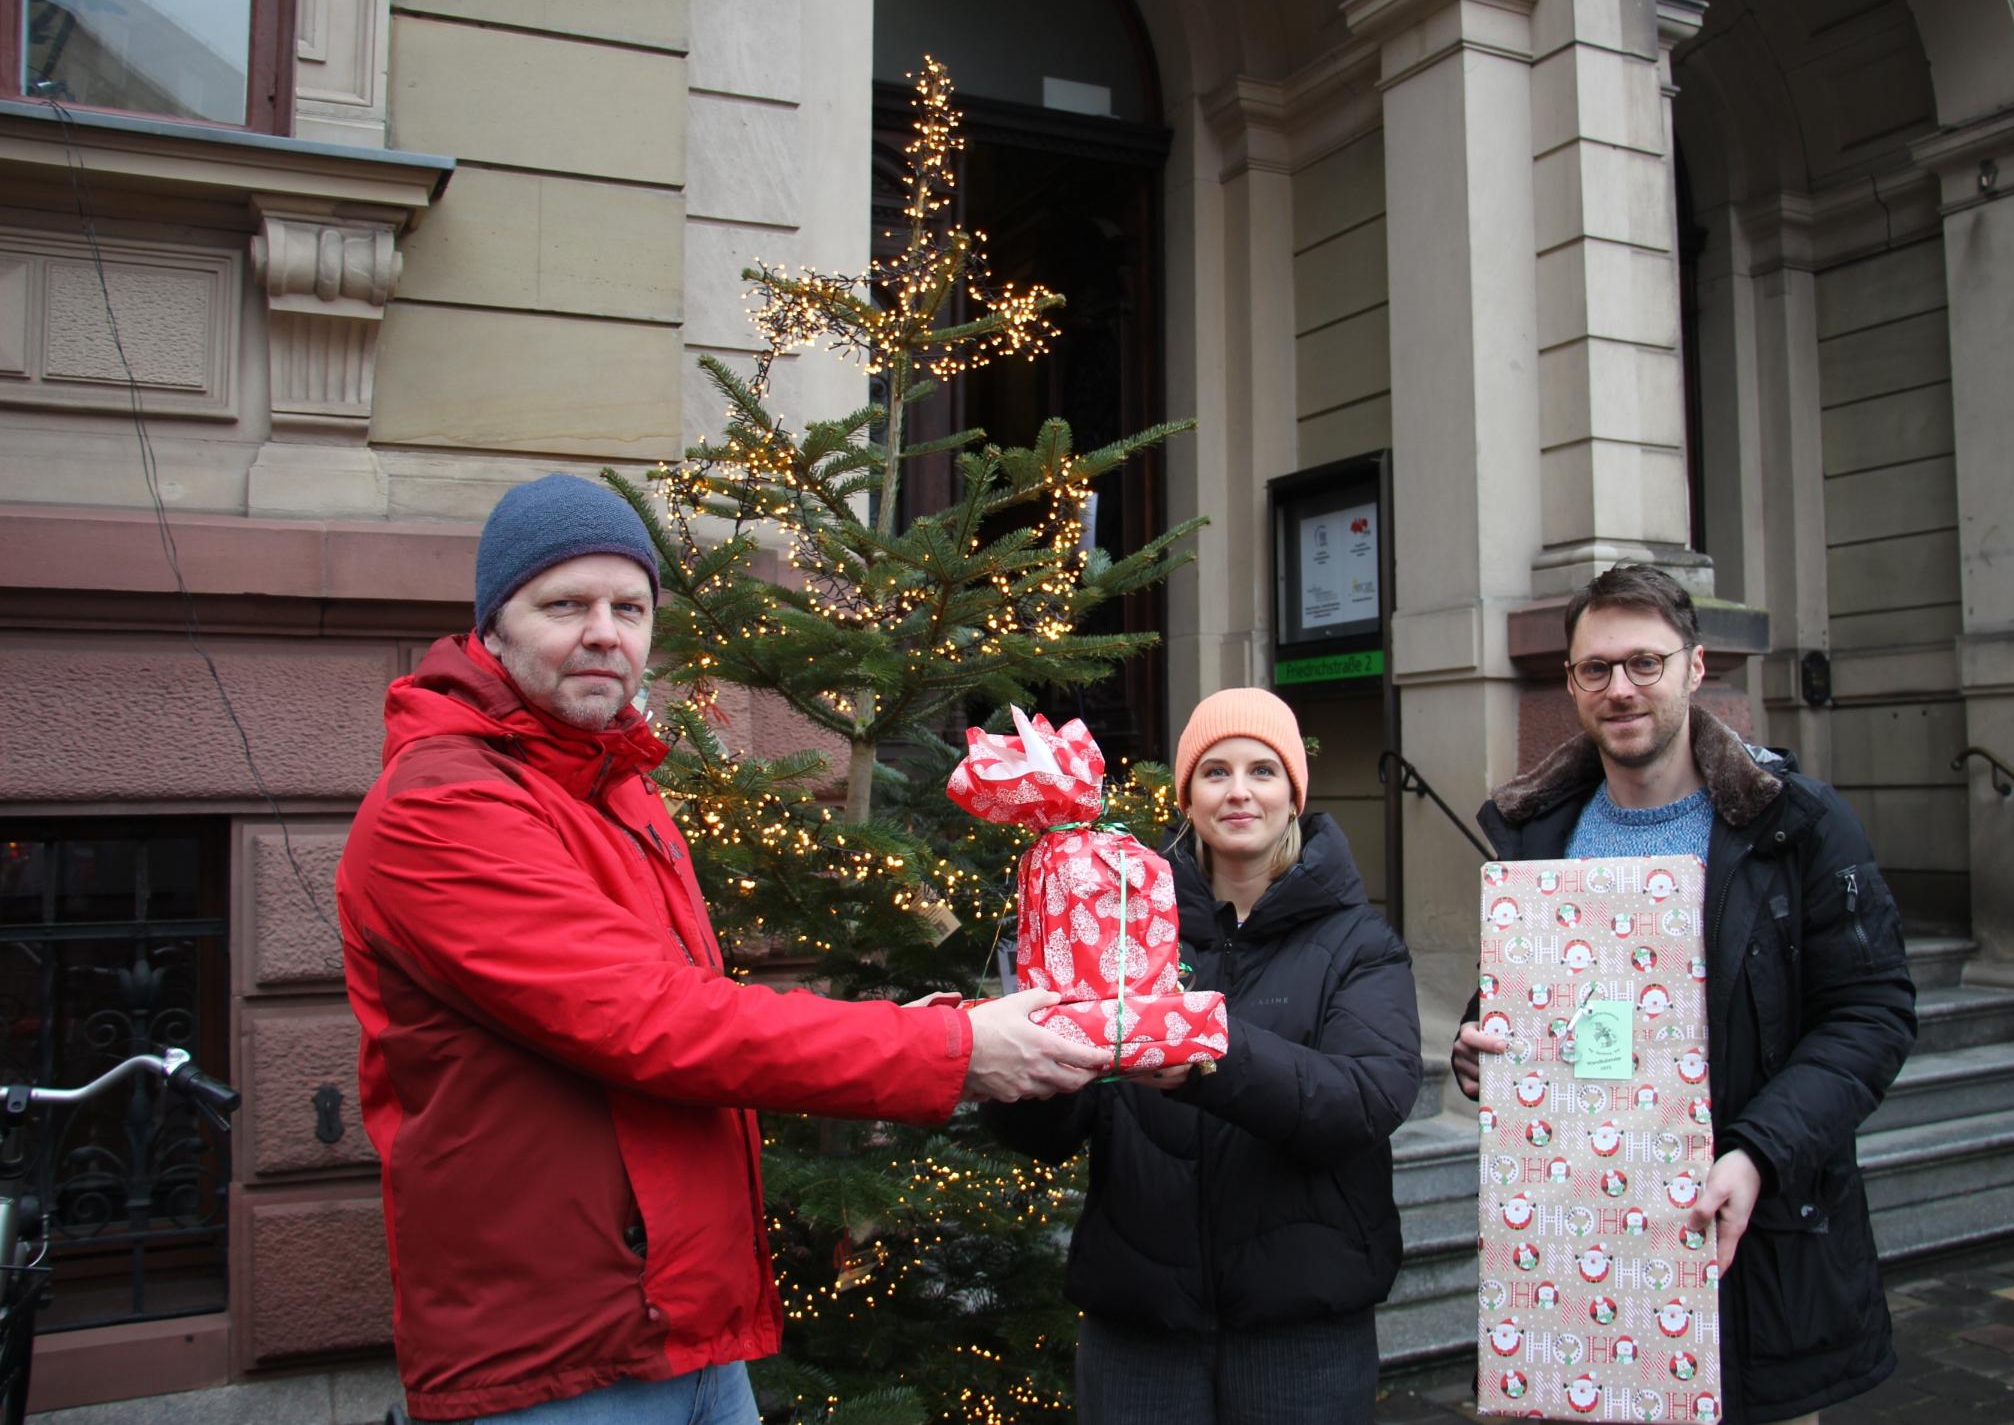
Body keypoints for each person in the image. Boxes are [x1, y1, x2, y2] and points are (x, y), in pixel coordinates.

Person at [337, 474, 1113, 1424]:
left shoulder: (615, 783)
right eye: (565, 604)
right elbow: (652, 1024)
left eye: (630, 606)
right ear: (491, 628)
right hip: (559, 1362)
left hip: (689, 1332)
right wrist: (950, 1053)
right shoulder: (444, 805)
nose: (604, 632)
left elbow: (679, 1008)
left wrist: (932, 1028)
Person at [1451, 564, 1916, 1425]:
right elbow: (1524, 1005)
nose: (1620, 688)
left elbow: (1873, 1014)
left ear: (1695, 669)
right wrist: (1481, 1046)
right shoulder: (1537, 836)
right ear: (1571, 682)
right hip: (1579, 1258)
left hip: (1755, 1253)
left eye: (1645, 664)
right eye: (1597, 668)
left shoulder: (1796, 826)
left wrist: (1759, 1153)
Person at [985, 688, 1422, 1425]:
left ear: (1293, 793)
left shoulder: (1361, 944)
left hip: (1301, 1333)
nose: (1240, 792)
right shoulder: (1114, 922)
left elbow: (1365, 1100)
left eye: (1263, 770)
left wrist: (1203, 1053)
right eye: (1216, 772)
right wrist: (1027, 1064)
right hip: (1141, 1330)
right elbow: (1044, 1137)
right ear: (1187, 796)